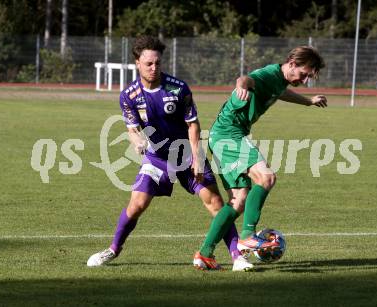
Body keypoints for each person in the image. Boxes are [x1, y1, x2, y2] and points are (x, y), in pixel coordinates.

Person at [87, 36, 253, 271]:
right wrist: (136, 141)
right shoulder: (129, 95)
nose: (154, 68)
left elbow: (193, 125)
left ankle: (237, 257)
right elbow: (132, 128)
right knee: (137, 205)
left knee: (215, 203)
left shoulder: (178, 88)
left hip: (187, 156)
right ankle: (113, 249)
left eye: (158, 63)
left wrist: (197, 159)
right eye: (149, 64)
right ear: (137, 63)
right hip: (157, 159)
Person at [195, 46, 327, 260]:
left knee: (238, 202)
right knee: (266, 177)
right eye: (304, 74)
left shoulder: (279, 81)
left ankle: (204, 253)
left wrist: (308, 101)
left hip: (221, 137)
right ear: (292, 64)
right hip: (229, 134)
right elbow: (247, 78)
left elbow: (281, 92)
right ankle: (248, 235)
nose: (304, 80)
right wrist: (242, 86)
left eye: (308, 78)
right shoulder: (269, 73)